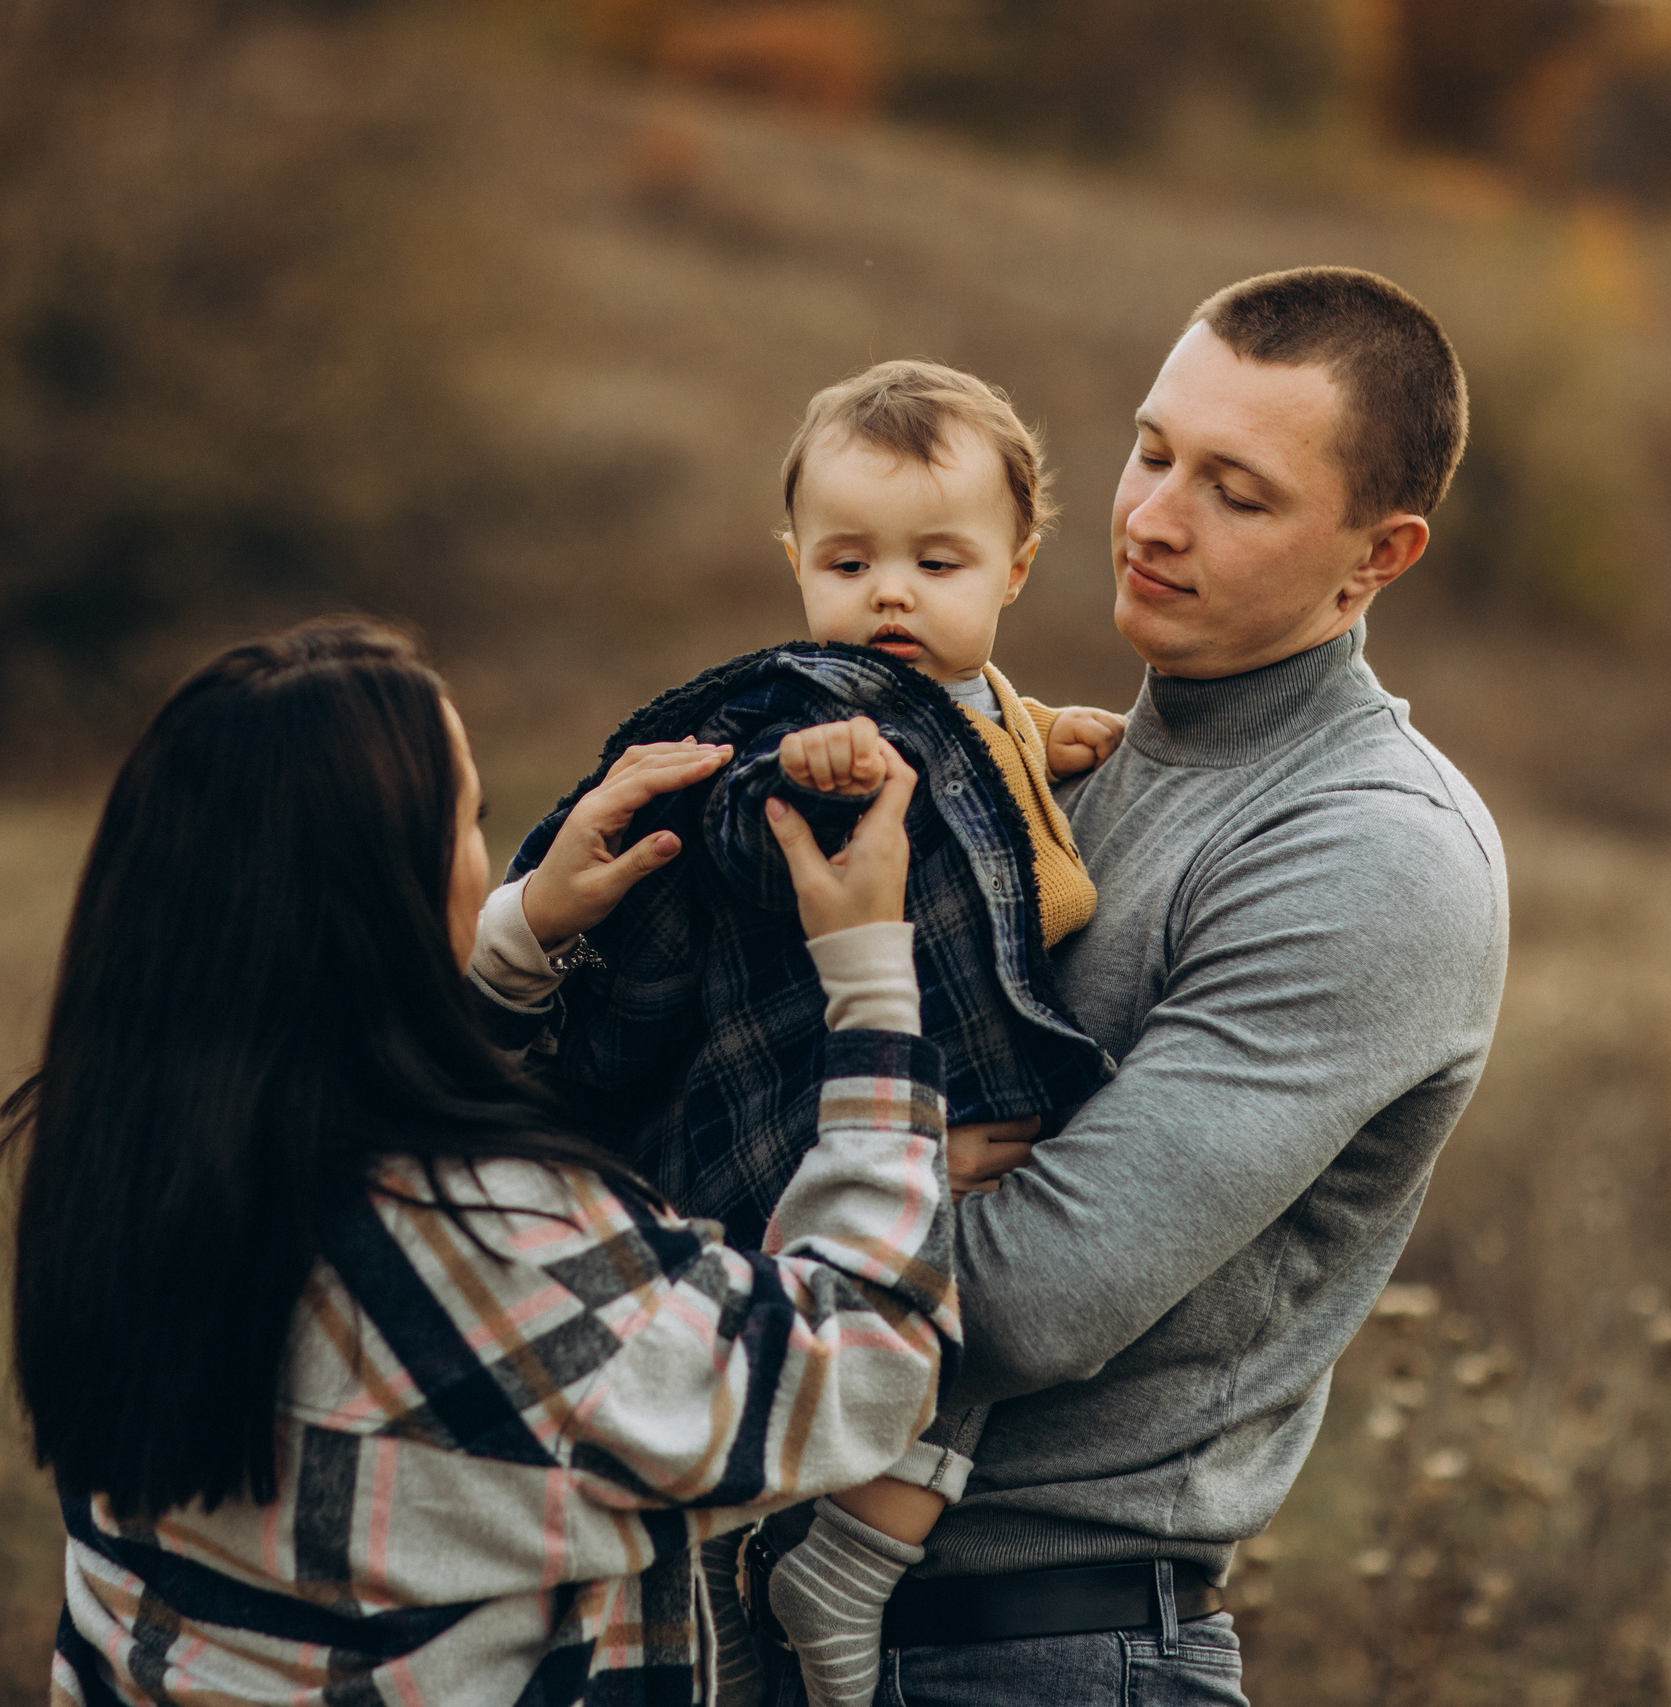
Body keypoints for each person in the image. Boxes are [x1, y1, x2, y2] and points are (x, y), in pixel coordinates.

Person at [0, 616, 965, 1707]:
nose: (484, 860)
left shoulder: (125, 1165)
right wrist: (874, 982)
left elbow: (327, 1078)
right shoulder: (484, 1241)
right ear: (382, 895)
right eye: (470, 825)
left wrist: (514, 940)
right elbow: (867, 1357)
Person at [838, 268, 1510, 1706]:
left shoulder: (1374, 851)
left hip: (1043, 1652)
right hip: (826, 1609)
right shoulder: (1055, 769)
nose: (1149, 518)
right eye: (1153, 450)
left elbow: (1030, 1301)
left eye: (1238, 492)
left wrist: (733, 1191)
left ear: (1378, 552)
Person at [467, 360, 1130, 1704]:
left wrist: (1054, 739)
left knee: (985, 1309)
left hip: (962, 1108)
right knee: (915, 1304)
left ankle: (852, 1555)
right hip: (839, 1117)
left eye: (937, 560)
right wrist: (807, 773)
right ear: (795, 566)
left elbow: (988, 746)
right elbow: (741, 799)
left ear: (1015, 569)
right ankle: (825, 1562)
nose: (890, 591)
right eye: (848, 559)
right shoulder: (815, 708)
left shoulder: (996, 706)